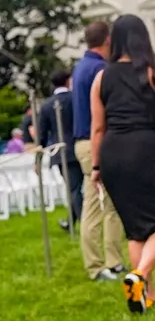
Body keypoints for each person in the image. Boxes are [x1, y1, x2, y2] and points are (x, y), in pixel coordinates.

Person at [89, 15, 155, 313]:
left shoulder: (101, 77)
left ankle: (144, 295)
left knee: (135, 229)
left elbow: (98, 128)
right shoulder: (152, 71)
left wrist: (96, 167)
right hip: (144, 149)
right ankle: (138, 275)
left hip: (111, 155)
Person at [72, 22, 125, 282]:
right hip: (95, 141)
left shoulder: (80, 67)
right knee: (98, 207)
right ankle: (97, 266)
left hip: (84, 140)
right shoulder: (100, 69)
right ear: (106, 41)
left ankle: (112, 262)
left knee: (107, 205)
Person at [37, 69, 84, 230]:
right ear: (67, 81)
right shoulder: (75, 99)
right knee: (76, 188)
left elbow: (41, 135)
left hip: (59, 151)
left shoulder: (46, 105)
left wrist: (39, 159)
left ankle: (83, 224)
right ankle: (74, 223)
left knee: (74, 188)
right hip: (79, 145)